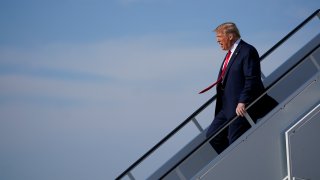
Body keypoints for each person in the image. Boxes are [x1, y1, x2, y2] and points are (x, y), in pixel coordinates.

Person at [199, 22, 277, 154]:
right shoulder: (230, 54)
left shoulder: (247, 51)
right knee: (212, 136)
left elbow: (251, 78)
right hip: (226, 107)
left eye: (219, 37)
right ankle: (232, 160)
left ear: (230, 36)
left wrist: (243, 101)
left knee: (235, 141)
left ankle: (238, 162)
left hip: (240, 108)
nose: (217, 41)